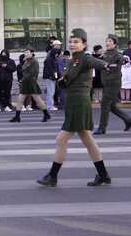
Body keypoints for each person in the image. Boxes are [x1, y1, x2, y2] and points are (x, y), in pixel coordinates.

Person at [37, 28, 113, 187]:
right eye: (71, 41)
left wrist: (105, 65)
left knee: (61, 139)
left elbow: (95, 61)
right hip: (74, 102)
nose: (72, 44)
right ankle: (103, 174)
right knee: (88, 139)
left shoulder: (85, 58)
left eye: (76, 41)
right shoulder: (72, 60)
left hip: (79, 102)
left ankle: (52, 176)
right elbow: (65, 79)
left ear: (84, 44)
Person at [94, 34, 131, 135]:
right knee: (111, 106)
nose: (107, 43)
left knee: (105, 104)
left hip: (113, 83)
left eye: (110, 41)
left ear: (115, 44)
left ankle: (102, 127)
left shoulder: (117, 55)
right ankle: (128, 119)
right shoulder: (105, 53)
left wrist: (106, 64)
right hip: (106, 83)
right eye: (107, 41)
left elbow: (118, 63)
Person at [9, 48, 51, 123]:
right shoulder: (26, 61)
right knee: (20, 99)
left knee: (38, 100)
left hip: (31, 82)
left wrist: (23, 79)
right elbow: (23, 70)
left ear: (32, 53)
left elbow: (33, 72)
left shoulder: (34, 61)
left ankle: (46, 114)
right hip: (25, 83)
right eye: (25, 52)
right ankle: (17, 116)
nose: (26, 54)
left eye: (28, 52)